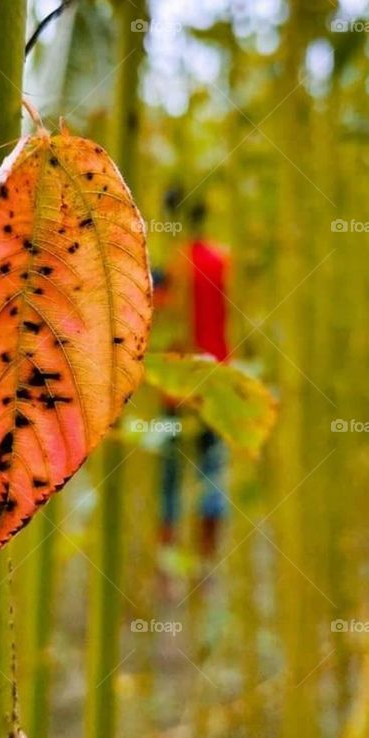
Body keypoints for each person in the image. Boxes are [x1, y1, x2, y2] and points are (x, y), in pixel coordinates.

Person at [153, 194, 230, 560]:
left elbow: (157, 313)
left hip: (177, 385)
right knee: (212, 467)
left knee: (170, 471)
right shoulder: (221, 261)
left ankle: (168, 556)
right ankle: (207, 556)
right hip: (215, 383)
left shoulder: (171, 267)